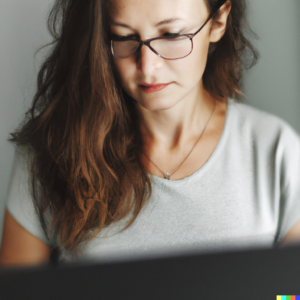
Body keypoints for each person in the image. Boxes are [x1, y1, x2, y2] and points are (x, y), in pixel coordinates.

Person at [1, 0, 300, 267]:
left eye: (171, 36)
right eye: (124, 37)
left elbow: (293, 293)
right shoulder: (51, 152)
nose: (147, 67)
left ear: (219, 20)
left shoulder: (275, 150)